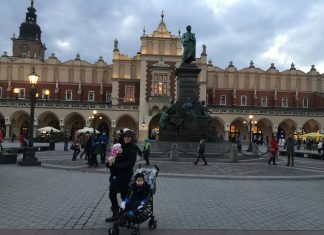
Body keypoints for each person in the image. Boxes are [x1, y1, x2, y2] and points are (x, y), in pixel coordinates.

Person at [105, 129, 137, 222]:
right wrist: (109, 163)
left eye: (129, 137)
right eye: (125, 136)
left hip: (125, 175)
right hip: (116, 175)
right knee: (112, 194)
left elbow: (130, 163)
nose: (127, 138)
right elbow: (113, 156)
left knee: (124, 196)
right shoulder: (119, 145)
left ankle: (125, 214)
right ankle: (116, 214)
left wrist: (116, 166)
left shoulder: (133, 148)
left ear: (131, 138)